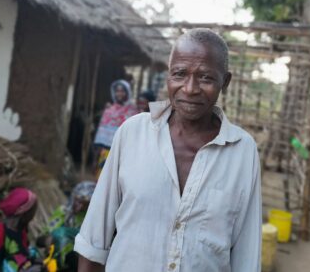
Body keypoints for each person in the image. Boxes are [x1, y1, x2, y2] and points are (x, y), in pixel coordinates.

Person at [74, 29, 262, 272]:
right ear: (168, 76)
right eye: (180, 74)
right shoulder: (133, 133)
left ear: (224, 82)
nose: (190, 88)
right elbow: (93, 240)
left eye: (205, 77)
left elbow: (246, 256)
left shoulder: (242, 151)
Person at [37, 182, 96, 271]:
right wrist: (50, 240)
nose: (79, 207)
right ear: (73, 197)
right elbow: (40, 239)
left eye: (85, 204)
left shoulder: (91, 219)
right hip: (55, 261)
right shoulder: (63, 212)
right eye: (78, 201)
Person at [0, 188, 42, 272]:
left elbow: (23, 256)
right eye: (33, 211)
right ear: (24, 213)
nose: (33, 216)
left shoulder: (21, 231)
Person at [93, 80, 138, 178]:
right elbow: (101, 134)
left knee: (117, 180)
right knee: (103, 177)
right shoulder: (109, 110)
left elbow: (134, 133)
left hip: (124, 152)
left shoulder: (133, 111)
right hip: (106, 151)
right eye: (117, 91)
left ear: (127, 92)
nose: (119, 93)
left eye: (122, 91)